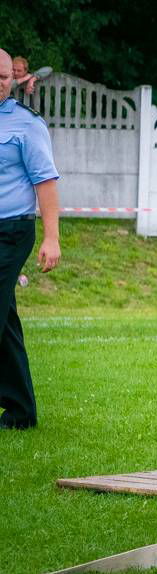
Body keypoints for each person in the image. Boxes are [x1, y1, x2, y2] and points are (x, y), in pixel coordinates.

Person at [0, 48, 62, 429]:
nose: (0, 83)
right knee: (5, 319)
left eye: (4, 76)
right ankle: (21, 411)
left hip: (11, 232)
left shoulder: (27, 124)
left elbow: (46, 181)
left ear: (13, 78)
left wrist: (51, 238)